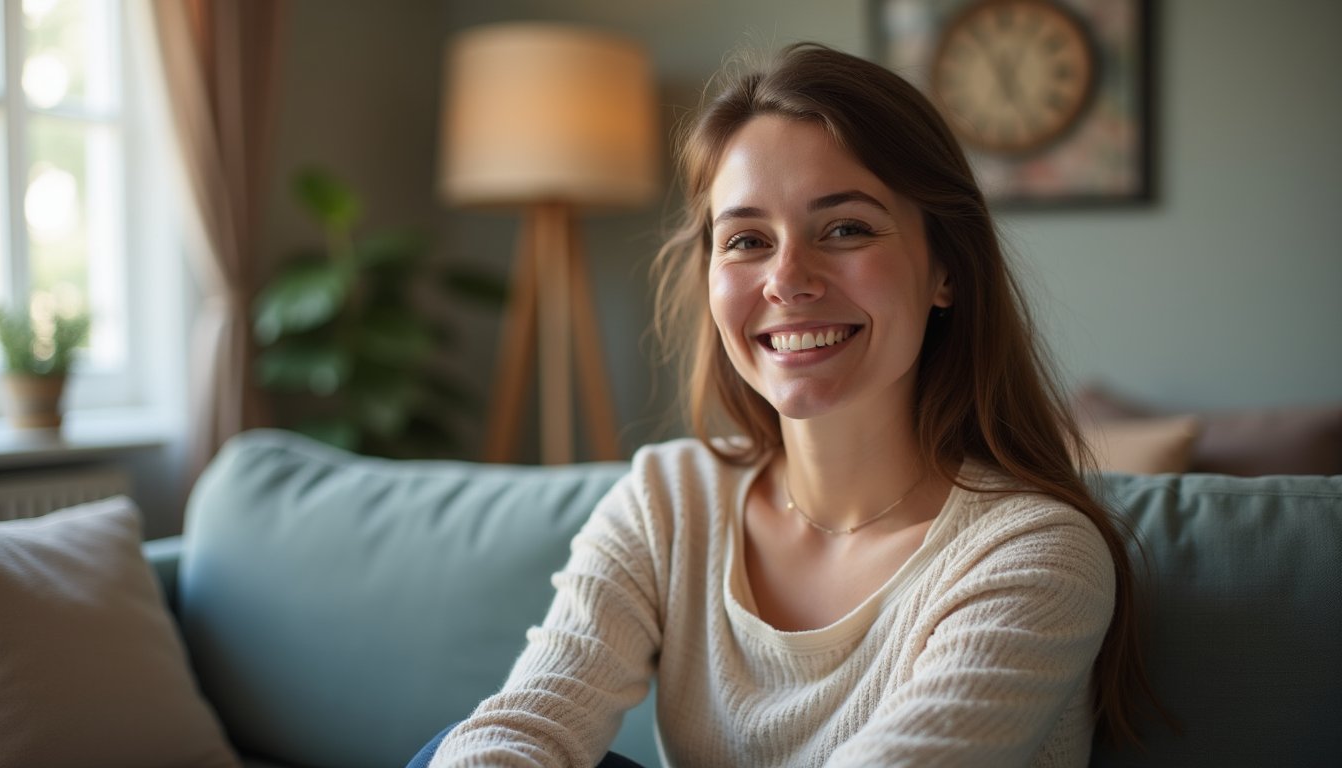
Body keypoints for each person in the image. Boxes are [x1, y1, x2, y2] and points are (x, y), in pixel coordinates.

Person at [414, 42, 1153, 767]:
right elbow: (526, 722)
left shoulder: (1033, 554)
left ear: (946, 271)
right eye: (746, 240)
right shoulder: (669, 501)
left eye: (846, 228)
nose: (787, 279)